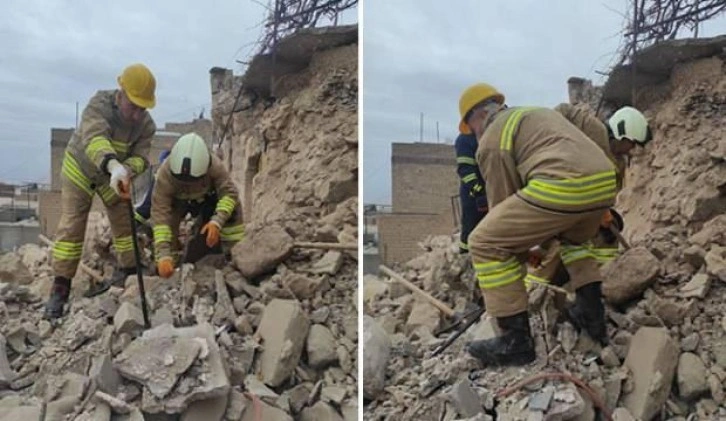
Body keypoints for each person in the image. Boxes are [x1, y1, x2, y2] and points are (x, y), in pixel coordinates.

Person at [459, 83, 618, 367]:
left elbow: (502, 211)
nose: (473, 134)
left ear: (479, 115)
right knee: (574, 240)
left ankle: (515, 341)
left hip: (564, 186)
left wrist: (521, 256)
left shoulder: (492, 141)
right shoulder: (534, 114)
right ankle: (593, 318)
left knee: (483, 240)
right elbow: (592, 129)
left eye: (470, 127)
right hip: (604, 182)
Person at [44, 63, 157, 320]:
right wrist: (112, 163)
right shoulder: (99, 105)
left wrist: (126, 169)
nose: (138, 114)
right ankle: (60, 287)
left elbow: (141, 158)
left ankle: (128, 272)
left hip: (113, 176)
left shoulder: (146, 126)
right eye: (134, 106)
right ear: (121, 93)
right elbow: (95, 139)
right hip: (80, 171)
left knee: (125, 224)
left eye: (144, 108)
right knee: (72, 227)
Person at [525, 104, 652, 286]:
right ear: (620, 133)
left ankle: (603, 281)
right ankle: (532, 293)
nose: (630, 149)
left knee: (607, 234)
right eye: (630, 143)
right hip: (562, 200)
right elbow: (563, 110)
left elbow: (608, 194)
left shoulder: (619, 164)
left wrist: (604, 212)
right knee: (557, 245)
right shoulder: (596, 132)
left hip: (586, 210)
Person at [151, 133, 245, 278]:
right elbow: (160, 214)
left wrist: (217, 222)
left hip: (208, 200)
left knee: (232, 213)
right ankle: (171, 265)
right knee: (168, 226)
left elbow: (229, 194)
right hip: (179, 203)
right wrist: (163, 255)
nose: (189, 184)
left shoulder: (215, 166)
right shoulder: (165, 174)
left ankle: (234, 257)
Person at [455, 130, 489, 254]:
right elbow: (465, 170)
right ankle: (465, 256)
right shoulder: (465, 140)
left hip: (489, 192)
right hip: (473, 196)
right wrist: (479, 193)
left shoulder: (488, 135)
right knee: (470, 228)